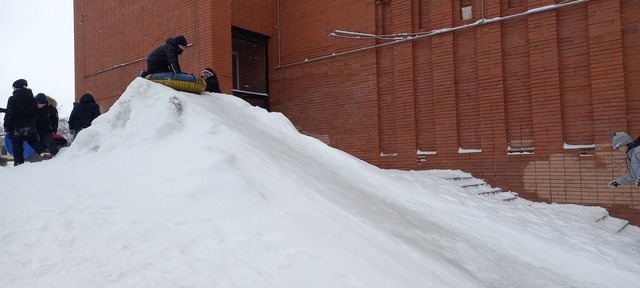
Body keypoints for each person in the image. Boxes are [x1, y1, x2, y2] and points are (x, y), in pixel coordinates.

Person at [3, 79, 52, 165]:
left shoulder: (12, 99)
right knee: (33, 140)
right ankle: (43, 152)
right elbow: (35, 113)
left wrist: (6, 125)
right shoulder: (33, 100)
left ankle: (19, 163)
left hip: (16, 126)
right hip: (29, 125)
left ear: (16, 88)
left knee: (17, 143)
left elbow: (9, 114)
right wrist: (32, 122)